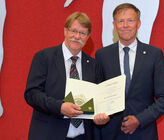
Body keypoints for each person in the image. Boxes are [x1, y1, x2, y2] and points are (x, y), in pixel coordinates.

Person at [24, 12, 109, 140]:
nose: (77, 36)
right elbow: (32, 94)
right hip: (49, 135)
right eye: (73, 31)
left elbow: (98, 101)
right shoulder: (44, 57)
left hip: (83, 136)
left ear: (88, 36)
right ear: (65, 30)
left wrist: (100, 117)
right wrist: (60, 107)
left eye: (82, 33)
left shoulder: (93, 65)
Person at [95, 3, 164, 140]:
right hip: (110, 133)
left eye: (130, 20)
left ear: (139, 23)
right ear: (114, 25)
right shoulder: (102, 55)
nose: (125, 25)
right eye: (121, 21)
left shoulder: (154, 54)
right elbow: (97, 94)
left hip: (144, 133)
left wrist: (139, 119)